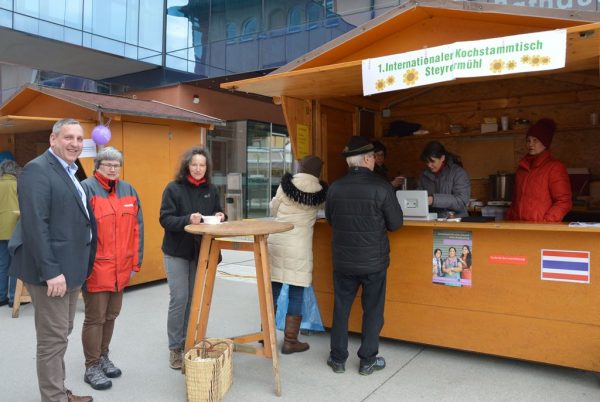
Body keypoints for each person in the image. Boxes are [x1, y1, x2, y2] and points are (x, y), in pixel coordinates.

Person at [8, 118, 97, 402]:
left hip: (71, 269)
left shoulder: (70, 171)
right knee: (52, 339)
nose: (74, 143)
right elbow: (35, 225)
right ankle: (54, 398)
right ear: (53, 139)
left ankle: (58, 390)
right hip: (52, 272)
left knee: (62, 333)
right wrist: (51, 272)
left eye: (79, 139)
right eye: (68, 137)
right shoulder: (37, 170)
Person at [325, 136, 403, 376]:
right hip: (373, 262)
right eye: (374, 157)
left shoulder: (335, 188)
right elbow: (396, 224)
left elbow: (329, 219)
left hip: (344, 260)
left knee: (341, 308)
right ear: (368, 159)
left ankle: (338, 358)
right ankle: (368, 360)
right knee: (373, 310)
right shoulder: (382, 187)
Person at [80, 147, 144, 390]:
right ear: (97, 166)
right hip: (96, 267)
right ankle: (92, 366)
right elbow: (80, 232)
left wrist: (135, 263)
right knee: (95, 317)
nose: (113, 168)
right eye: (108, 164)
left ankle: (103, 356)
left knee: (111, 315)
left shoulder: (129, 190)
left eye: (117, 164)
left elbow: (138, 229)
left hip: (121, 268)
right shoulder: (86, 189)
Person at [159, 146, 226, 370]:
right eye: (194, 164)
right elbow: (165, 219)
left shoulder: (211, 189)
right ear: (187, 165)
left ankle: (189, 344)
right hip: (176, 251)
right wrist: (188, 219)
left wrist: (220, 216)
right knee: (180, 299)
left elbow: (219, 212)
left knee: (193, 299)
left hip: (200, 251)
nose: (198, 168)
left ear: (207, 168)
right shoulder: (173, 188)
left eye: (202, 165)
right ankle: (175, 349)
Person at [268, 155, 327, 354]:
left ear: (300, 167)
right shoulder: (320, 192)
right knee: (296, 292)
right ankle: (290, 341)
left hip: (277, 241)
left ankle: (265, 336)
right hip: (299, 246)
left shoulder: (286, 185)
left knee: (273, 289)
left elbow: (274, 208)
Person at [506, 118, 572, 222]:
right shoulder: (521, 168)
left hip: (541, 230)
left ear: (545, 142)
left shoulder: (555, 167)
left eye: (535, 140)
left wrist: (546, 222)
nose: (530, 144)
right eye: (528, 140)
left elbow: (563, 201)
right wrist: (510, 219)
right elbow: (515, 200)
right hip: (519, 227)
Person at [417, 141, 471, 218]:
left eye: (432, 161)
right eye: (427, 162)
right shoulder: (424, 176)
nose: (429, 165)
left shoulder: (459, 173)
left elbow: (462, 201)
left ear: (442, 158)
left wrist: (433, 200)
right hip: (432, 220)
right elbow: (419, 198)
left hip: (456, 220)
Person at [0, 160, 21, 308]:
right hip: (15, 230)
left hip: (0, 230)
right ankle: (14, 297)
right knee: (15, 264)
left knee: (2, 264)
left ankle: (1, 297)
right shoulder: (19, 185)